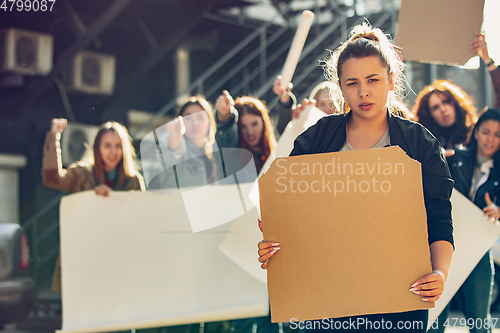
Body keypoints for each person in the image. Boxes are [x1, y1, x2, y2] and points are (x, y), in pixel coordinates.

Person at [257, 22, 454, 332]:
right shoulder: (317, 138)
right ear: (340, 87)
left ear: (391, 81)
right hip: (324, 300)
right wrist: (274, 242)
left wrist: (439, 273)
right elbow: (288, 210)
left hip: (400, 299)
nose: (363, 91)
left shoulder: (420, 143)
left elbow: (439, 217)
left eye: (373, 80)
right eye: (352, 83)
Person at [42, 118, 145, 294]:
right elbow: (52, 179)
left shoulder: (133, 180)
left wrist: (112, 198)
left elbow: (141, 219)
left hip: (119, 262)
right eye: (107, 146)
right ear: (97, 148)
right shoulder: (81, 174)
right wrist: (54, 137)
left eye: (118, 146)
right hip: (85, 259)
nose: (113, 152)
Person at [430, 108, 500, 333]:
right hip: (444, 244)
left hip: (478, 251)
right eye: (486, 132)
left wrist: (499, 210)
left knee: (480, 321)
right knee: (436, 318)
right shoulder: (453, 158)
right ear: (476, 132)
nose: (490, 139)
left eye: (498, 134)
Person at [149, 95, 219, 190]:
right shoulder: (176, 143)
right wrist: (175, 134)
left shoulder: (211, 154)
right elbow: (172, 153)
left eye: (200, 117)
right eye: (188, 118)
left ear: (209, 123)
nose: (195, 123)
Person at [215, 92, 277, 174]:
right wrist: (226, 115)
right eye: (243, 126)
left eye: (254, 124)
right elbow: (227, 132)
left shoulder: (275, 152)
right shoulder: (233, 155)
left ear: (264, 123)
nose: (250, 132)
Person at [412, 80, 478, 150]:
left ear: (455, 104)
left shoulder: (475, 133)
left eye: (446, 102)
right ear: (430, 116)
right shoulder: (426, 144)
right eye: (435, 108)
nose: (443, 110)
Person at [273, 77, 337, 135]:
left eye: (332, 105)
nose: (328, 109)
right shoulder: (307, 131)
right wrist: (284, 93)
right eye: (322, 105)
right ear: (314, 106)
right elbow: (286, 127)